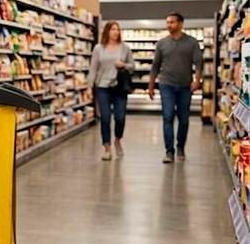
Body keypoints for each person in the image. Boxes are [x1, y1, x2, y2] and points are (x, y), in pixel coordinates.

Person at [146, 12, 203, 163]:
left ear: (180, 24)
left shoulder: (192, 42)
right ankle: (169, 151)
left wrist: (197, 80)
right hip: (166, 85)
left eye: (172, 22)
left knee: (183, 119)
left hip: (185, 86)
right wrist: (151, 85)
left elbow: (198, 63)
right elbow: (155, 65)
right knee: (168, 116)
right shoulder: (162, 43)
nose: (169, 25)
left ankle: (180, 147)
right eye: (167, 22)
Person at [87, 21, 133, 160]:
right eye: (113, 29)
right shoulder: (98, 48)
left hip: (119, 87)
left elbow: (132, 67)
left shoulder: (125, 48)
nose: (115, 32)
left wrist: (124, 65)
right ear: (107, 31)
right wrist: (90, 87)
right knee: (105, 118)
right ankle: (107, 148)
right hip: (102, 87)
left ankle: (117, 139)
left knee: (120, 117)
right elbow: (93, 68)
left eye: (117, 29)